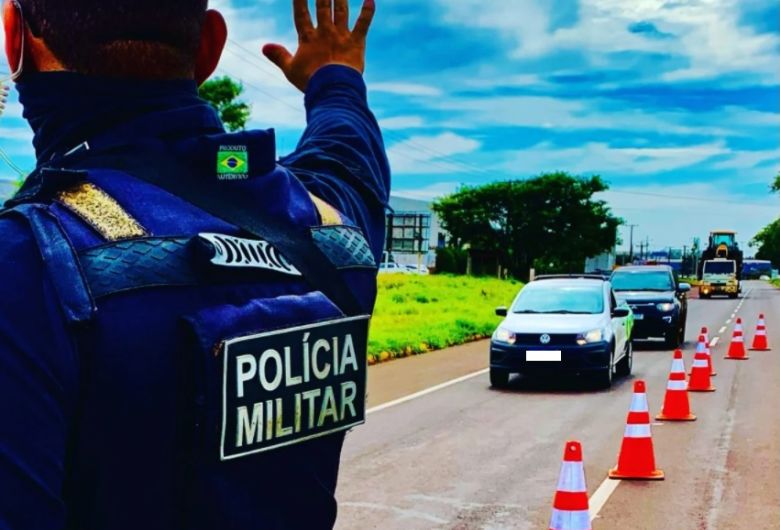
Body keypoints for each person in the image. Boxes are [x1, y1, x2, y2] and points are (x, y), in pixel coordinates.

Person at [0, 0, 389, 528]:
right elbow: (349, 152)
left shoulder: (25, 264)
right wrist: (335, 77)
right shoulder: (329, 230)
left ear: (13, 39)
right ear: (209, 47)